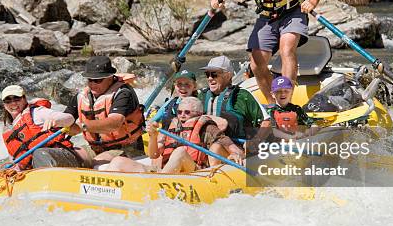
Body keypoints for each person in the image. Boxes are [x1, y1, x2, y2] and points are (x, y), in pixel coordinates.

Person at [107, 97, 245, 173]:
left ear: (198, 114)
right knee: (118, 161)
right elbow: (153, 155)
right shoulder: (171, 127)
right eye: (179, 112)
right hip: (163, 171)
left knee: (179, 152)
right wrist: (153, 137)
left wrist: (237, 154)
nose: (182, 116)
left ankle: (160, 182)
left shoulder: (207, 127)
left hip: (192, 172)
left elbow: (231, 146)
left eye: (187, 112)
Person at [65, 56, 145, 168]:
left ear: (110, 77)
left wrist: (81, 126)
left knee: (95, 164)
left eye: (97, 80)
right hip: (95, 148)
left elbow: (115, 123)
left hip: (127, 149)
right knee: (68, 157)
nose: (92, 84)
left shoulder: (123, 93)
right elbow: (66, 117)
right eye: (90, 80)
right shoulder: (82, 96)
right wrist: (56, 121)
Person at [0, 85, 80, 170]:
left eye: (17, 99)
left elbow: (70, 118)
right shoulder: (8, 129)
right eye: (8, 101)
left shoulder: (37, 113)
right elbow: (13, 159)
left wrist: (56, 121)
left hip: (61, 156)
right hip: (35, 168)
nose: (13, 103)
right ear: (4, 104)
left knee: (39, 154)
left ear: (24, 99)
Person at [197, 55, 268, 139]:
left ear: (228, 76)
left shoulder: (242, 95)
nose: (209, 78)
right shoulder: (201, 95)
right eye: (207, 74)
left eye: (214, 74)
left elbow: (266, 122)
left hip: (234, 146)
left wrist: (255, 142)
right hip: (203, 146)